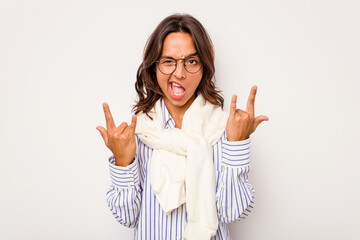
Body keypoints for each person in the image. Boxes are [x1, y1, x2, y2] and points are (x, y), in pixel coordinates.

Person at [96, 13, 268, 240]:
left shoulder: (223, 130)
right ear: (153, 67)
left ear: (204, 68)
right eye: (168, 61)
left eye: (191, 61)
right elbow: (128, 218)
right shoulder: (137, 134)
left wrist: (237, 144)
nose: (180, 72)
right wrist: (123, 162)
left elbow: (232, 212)